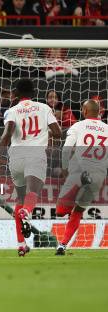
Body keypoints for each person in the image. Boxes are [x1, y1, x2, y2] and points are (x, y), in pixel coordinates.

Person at [0, 79, 61, 257]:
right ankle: (26, 212)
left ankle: (21, 244)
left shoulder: (12, 111)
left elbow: (7, 134)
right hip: (35, 154)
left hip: (15, 156)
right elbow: (58, 133)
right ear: (34, 92)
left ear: (16, 93)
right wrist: (45, 131)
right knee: (33, 192)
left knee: (20, 198)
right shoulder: (44, 108)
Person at [55, 99, 108, 255]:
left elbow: (66, 150)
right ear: (98, 112)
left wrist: (64, 170)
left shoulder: (78, 126)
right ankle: (62, 245)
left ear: (84, 112)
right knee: (78, 211)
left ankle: (79, 184)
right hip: (98, 175)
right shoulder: (107, 129)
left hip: (79, 171)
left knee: (60, 211)